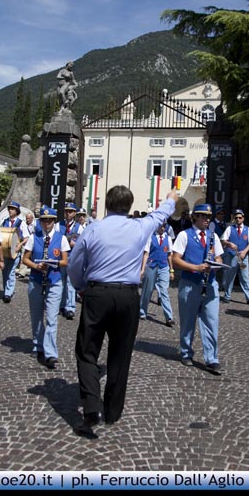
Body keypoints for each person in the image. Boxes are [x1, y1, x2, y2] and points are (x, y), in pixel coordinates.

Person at [68, 186, 178, 438]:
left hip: (98, 292)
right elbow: (162, 214)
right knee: (120, 353)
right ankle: (113, 411)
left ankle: (91, 409)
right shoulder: (140, 227)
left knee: (87, 351)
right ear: (129, 207)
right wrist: (172, 198)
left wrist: (81, 287)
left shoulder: (94, 228)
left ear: (107, 205)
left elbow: (75, 263)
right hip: (128, 296)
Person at [172, 203, 225, 375]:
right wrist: (196, 267)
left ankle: (212, 358)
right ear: (195, 217)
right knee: (188, 322)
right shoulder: (184, 235)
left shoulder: (213, 236)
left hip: (210, 285)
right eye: (203, 216)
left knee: (211, 322)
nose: (206, 219)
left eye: (208, 217)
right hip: (190, 284)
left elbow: (218, 256)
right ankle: (186, 352)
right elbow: (175, 260)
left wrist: (214, 265)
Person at [22, 206, 70, 370]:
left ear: (54, 221)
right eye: (44, 220)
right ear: (40, 222)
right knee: (36, 316)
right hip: (36, 280)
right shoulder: (33, 237)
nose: (47, 223)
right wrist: (35, 266)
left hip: (54, 281)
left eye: (50, 220)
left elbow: (66, 261)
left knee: (51, 318)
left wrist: (53, 263)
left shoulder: (61, 238)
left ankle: (50, 353)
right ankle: (38, 344)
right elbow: (25, 259)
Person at [139, 222, 175, 326]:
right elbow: (146, 254)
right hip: (151, 266)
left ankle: (169, 317)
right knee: (148, 290)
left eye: (164, 226)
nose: (163, 228)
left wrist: (171, 270)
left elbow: (169, 255)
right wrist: (142, 269)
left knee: (164, 291)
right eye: (161, 226)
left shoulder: (168, 239)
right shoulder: (150, 237)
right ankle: (142, 312)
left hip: (163, 267)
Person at [221, 208, 249, 305]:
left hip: (243, 256)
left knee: (245, 277)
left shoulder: (248, 229)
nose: (238, 219)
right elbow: (223, 240)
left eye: (240, 217)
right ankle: (227, 295)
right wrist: (229, 244)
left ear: (243, 218)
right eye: (236, 217)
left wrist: (244, 252)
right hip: (232, 255)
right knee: (230, 276)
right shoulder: (230, 228)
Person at [0, 201, 29, 303]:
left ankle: (8, 293)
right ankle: (6, 290)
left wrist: (19, 245)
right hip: (5, 251)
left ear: (17, 211)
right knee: (4, 272)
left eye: (12, 209)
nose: (10, 211)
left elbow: (26, 237)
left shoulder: (21, 223)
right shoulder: (4, 221)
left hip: (15, 252)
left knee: (11, 272)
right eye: (9, 209)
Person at [59, 202, 82, 320]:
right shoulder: (59, 225)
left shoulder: (79, 227)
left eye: (70, 211)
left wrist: (75, 244)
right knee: (61, 281)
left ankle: (70, 307)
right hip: (61, 257)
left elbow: (83, 243)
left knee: (70, 283)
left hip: (73, 257)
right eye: (66, 211)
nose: (68, 214)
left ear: (74, 214)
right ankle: (62, 304)